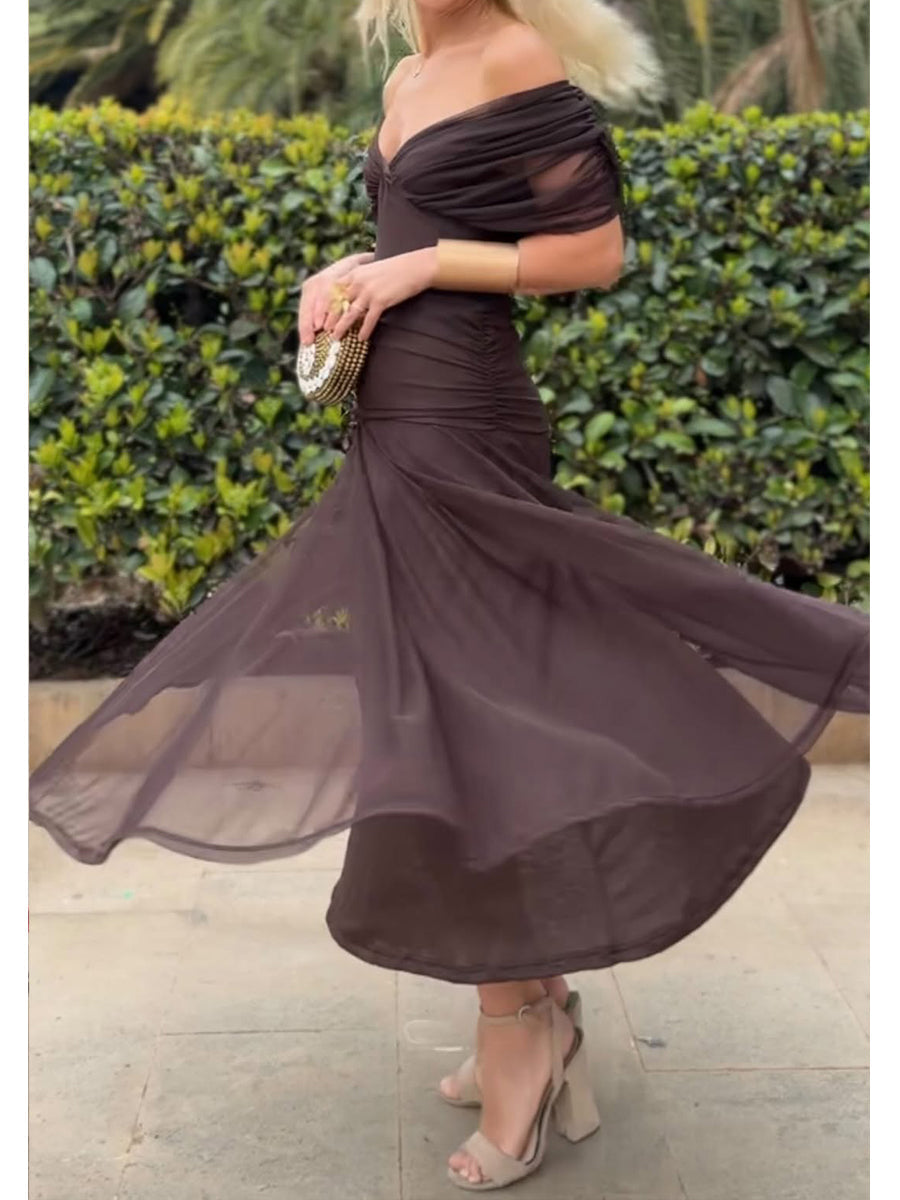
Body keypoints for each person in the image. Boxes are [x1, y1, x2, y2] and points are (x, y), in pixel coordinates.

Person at [30, 0, 869, 1191]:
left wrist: (422, 265)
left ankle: (518, 1027)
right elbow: (414, 231)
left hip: (463, 427)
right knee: (439, 712)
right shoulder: (408, 73)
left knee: (464, 730)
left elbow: (593, 252)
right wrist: (351, 273)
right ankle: (540, 1000)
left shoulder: (514, 53)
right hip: (393, 427)